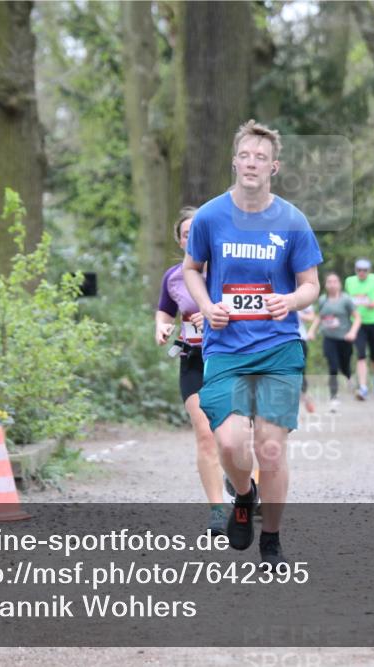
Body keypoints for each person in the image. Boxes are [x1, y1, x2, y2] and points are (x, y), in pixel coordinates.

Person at [183, 119, 322, 566]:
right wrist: (206, 305)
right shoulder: (208, 216)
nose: (251, 163)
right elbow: (191, 269)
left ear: (273, 167)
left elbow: (311, 285)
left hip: (279, 345)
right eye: (245, 155)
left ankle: (272, 540)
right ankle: (244, 494)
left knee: (270, 448)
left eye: (260, 157)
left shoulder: (292, 220)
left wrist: (289, 300)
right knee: (227, 443)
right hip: (225, 345)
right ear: (234, 162)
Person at [155, 207, 226, 535]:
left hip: (230, 358)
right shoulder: (173, 276)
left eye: (197, 232)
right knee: (205, 433)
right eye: (186, 234)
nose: (192, 238)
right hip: (193, 360)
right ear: (181, 241)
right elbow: (165, 312)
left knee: (234, 437)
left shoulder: (232, 269)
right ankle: (216, 510)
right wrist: (161, 328)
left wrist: (212, 316)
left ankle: (243, 487)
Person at [307, 272, 360, 413]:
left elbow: (357, 317)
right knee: (333, 367)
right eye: (329, 282)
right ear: (325, 284)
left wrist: (352, 332)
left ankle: (350, 381)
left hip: (344, 339)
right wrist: (312, 331)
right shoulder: (323, 300)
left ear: (339, 284)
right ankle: (334, 397)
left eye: (335, 281)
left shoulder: (346, 300)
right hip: (329, 338)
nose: (332, 284)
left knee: (345, 367)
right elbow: (319, 317)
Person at [344, 258, 374, 399]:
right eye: (359, 270)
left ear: (369, 271)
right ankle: (363, 387)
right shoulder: (349, 281)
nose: (362, 273)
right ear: (355, 270)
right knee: (361, 354)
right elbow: (346, 298)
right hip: (357, 322)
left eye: (365, 270)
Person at [297, 305, 317, 414]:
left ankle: (305, 399)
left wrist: (297, 313)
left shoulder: (301, 291)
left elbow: (312, 317)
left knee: (300, 372)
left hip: (300, 339)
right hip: (279, 340)